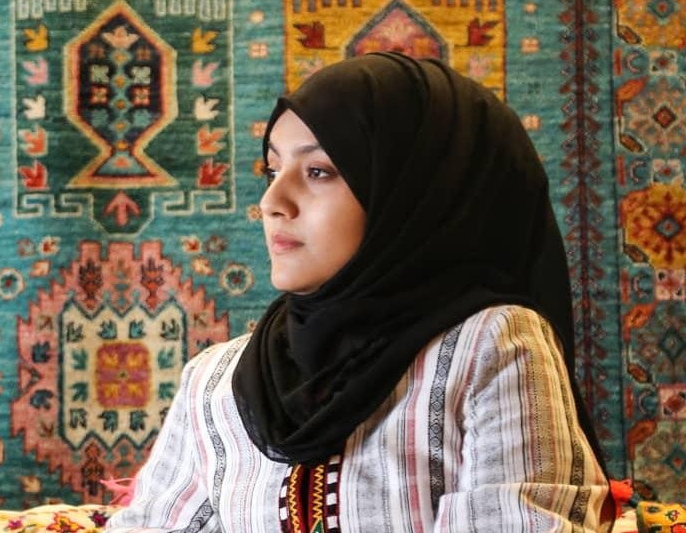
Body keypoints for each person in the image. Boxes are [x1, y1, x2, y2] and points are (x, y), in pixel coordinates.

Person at [105, 51, 614, 532]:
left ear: (411, 192)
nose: (271, 201)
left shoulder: (493, 346)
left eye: (319, 171)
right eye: (271, 169)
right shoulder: (215, 383)